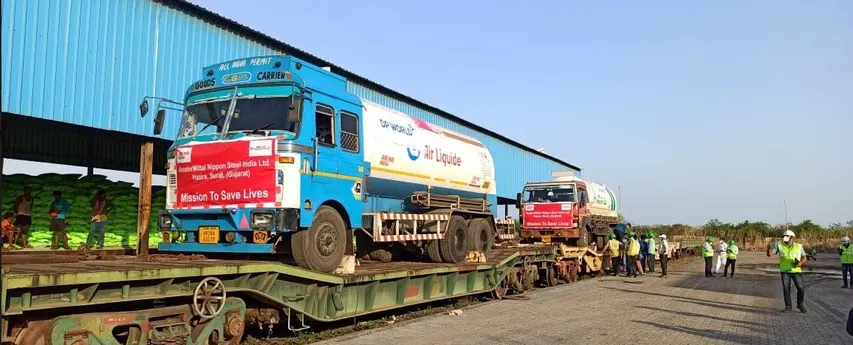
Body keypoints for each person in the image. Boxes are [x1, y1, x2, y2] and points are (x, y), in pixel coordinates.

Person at [767, 230, 807, 313]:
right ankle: (788, 306)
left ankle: (800, 304)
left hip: (796, 271)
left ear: (792, 237)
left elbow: (804, 257)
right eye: (784, 236)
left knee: (801, 288)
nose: (784, 238)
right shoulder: (779, 246)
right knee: (786, 289)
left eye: (787, 236)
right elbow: (770, 254)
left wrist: (801, 263)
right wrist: (768, 248)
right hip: (785, 271)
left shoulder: (799, 246)